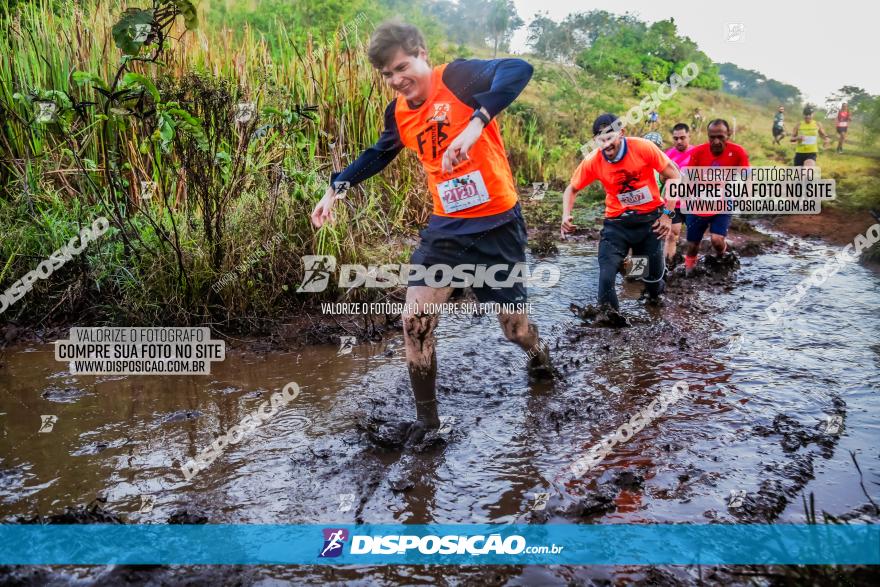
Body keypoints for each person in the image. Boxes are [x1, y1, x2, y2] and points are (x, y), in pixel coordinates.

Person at [310, 21, 553, 442]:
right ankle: (428, 423)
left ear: (422, 54)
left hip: (498, 223)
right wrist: (336, 189)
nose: (396, 80)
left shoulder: (458, 78)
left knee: (514, 329)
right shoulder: (400, 113)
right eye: (387, 75)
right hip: (447, 230)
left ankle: (539, 356)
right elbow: (378, 153)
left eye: (402, 67)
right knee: (415, 322)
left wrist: (477, 122)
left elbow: (518, 68)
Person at [561, 113, 679, 319]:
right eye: (600, 139)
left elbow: (674, 176)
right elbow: (571, 189)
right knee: (606, 276)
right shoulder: (594, 161)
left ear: (621, 134)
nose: (606, 144)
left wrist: (668, 215)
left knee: (652, 283)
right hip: (617, 225)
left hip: (650, 222)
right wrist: (566, 215)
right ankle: (610, 323)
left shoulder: (643, 148)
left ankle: (654, 303)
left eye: (610, 137)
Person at [683, 119, 749, 275]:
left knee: (717, 240)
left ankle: (722, 257)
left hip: (723, 201)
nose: (716, 141)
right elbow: (688, 177)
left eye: (720, 136)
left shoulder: (738, 151)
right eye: (712, 137)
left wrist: (746, 194)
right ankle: (688, 272)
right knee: (692, 245)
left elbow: (747, 176)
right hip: (699, 202)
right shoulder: (698, 152)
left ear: (729, 134)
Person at [664, 123, 696, 263]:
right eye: (676, 138)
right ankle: (668, 264)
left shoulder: (697, 153)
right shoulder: (667, 155)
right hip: (673, 203)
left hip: (693, 203)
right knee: (671, 234)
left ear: (689, 136)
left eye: (682, 138)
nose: (679, 141)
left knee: (694, 237)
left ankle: (691, 265)